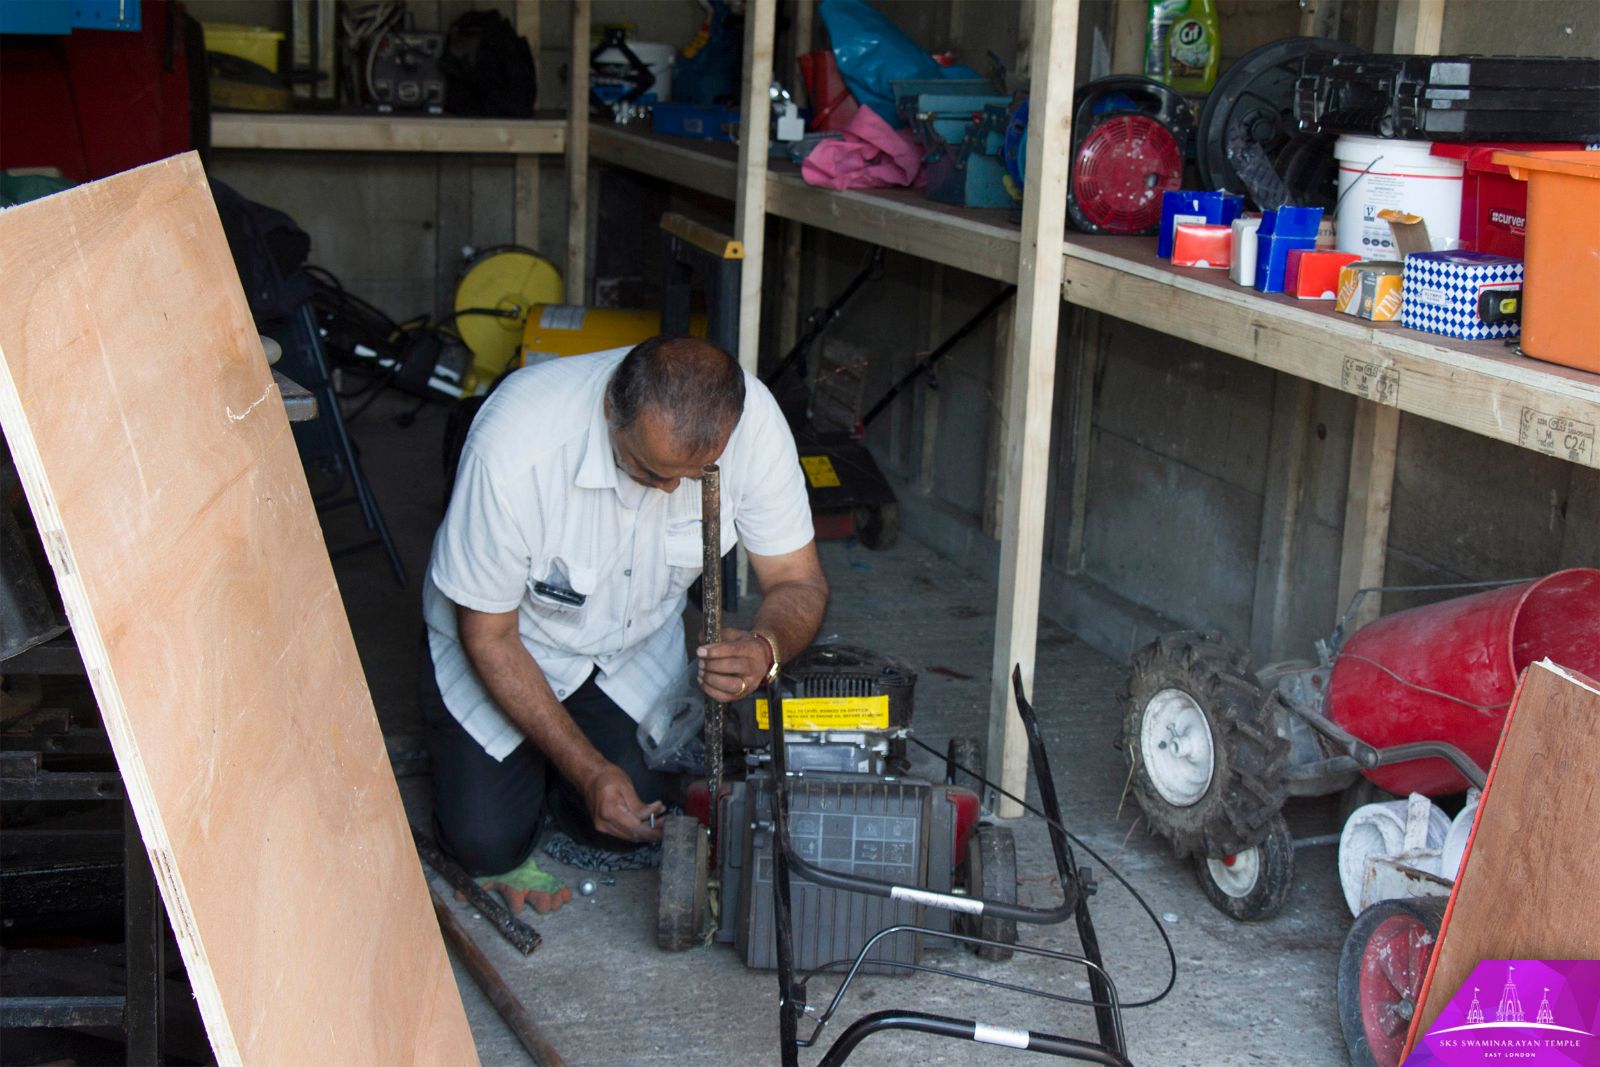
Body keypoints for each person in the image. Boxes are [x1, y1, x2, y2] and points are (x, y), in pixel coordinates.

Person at [420, 336, 828, 912]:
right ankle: (542, 773)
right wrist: (587, 770)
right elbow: (489, 635)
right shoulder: (516, 446)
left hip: (627, 647)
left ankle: (560, 782)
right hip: (509, 644)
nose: (667, 490)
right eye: (647, 469)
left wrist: (767, 648)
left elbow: (796, 578)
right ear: (613, 404)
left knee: (632, 814)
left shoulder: (754, 426)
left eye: (690, 477)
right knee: (486, 843)